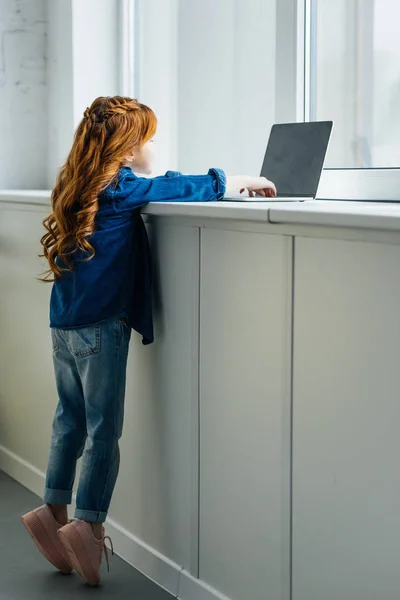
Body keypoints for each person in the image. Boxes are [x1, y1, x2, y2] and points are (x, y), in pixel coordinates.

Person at [21, 96, 277, 586]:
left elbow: (163, 184)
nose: (155, 147)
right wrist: (243, 179)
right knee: (103, 430)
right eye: (150, 139)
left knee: (68, 419)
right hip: (101, 326)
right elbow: (185, 187)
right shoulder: (123, 189)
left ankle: (52, 510)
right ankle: (89, 524)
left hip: (64, 325)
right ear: (128, 146)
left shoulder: (80, 185)